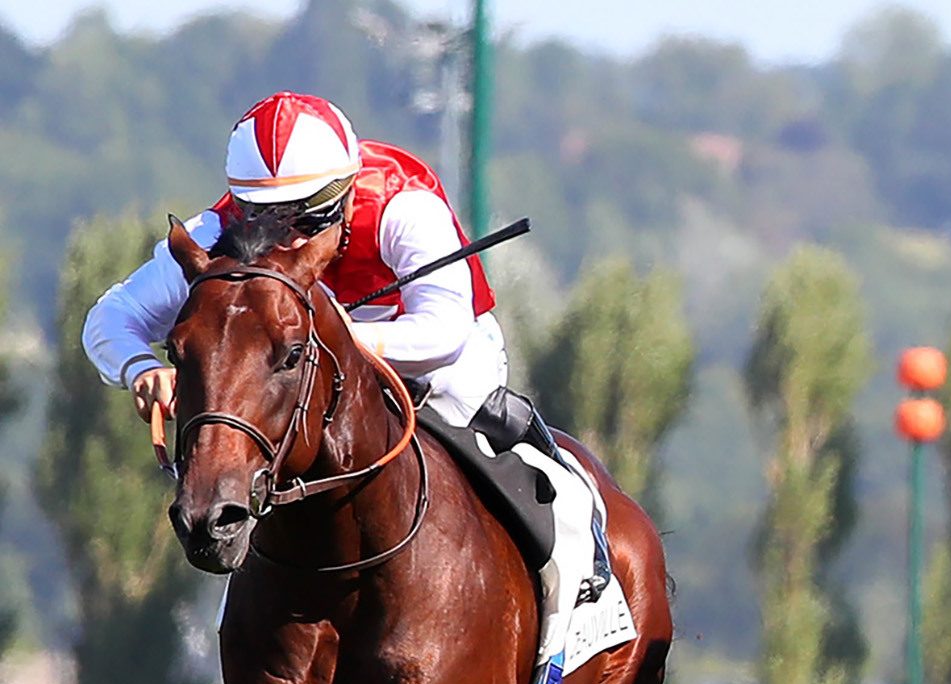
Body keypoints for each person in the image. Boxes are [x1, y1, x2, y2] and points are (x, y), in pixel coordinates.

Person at [82, 90, 607, 601]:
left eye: (308, 218)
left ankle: (575, 558)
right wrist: (139, 367)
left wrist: (329, 339)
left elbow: (444, 333)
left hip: (427, 357)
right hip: (295, 368)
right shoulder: (218, 231)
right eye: (266, 220)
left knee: (464, 411)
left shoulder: (404, 206)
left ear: (348, 189)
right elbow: (110, 317)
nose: (287, 241)